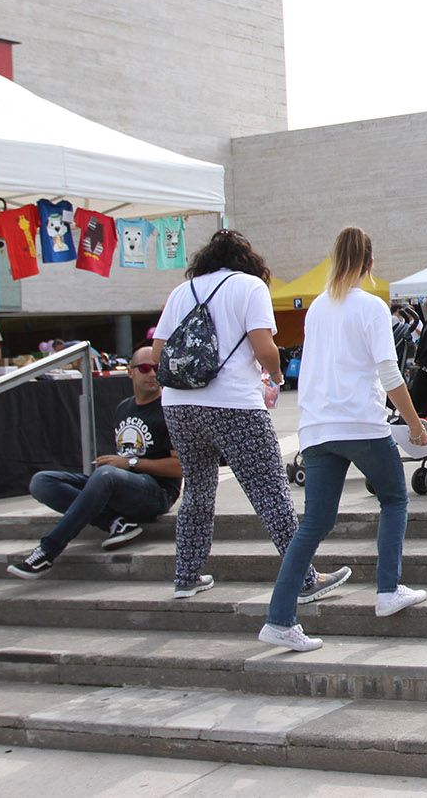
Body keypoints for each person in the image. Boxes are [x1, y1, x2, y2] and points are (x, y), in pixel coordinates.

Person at [153, 229, 350, 602]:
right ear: (249, 260)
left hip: (178, 404)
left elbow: (157, 351)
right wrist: (275, 376)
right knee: (270, 490)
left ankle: (187, 575)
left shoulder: (182, 291)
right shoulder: (249, 287)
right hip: (233, 403)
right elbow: (265, 348)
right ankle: (304, 580)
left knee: (197, 489)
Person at [260, 227, 426, 653]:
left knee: (314, 523)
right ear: (370, 263)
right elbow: (389, 375)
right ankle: (388, 590)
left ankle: (279, 618)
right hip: (360, 423)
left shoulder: (317, 308)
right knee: (393, 499)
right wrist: (414, 423)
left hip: (317, 428)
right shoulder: (372, 307)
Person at [8, 346, 182, 578]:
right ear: (130, 372)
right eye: (144, 368)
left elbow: (180, 467)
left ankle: (48, 551)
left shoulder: (169, 410)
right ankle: (115, 523)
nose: (152, 374)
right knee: (42, 481)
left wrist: (129, 464)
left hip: (157, 493)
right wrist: (119, 466)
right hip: (122, 485)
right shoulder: (124, 408)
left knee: (106, 475)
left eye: (157, 368)